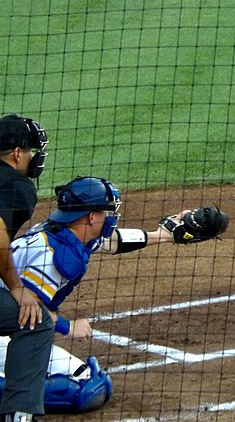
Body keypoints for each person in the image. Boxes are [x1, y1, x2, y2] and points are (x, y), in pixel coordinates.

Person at [0, 176, 200, 415]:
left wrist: (164, 235)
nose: (113, 216)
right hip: (9, 330)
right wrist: (68, 326)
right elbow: (28, 314)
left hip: (8, 326)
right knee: (85, 387)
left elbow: (113, 241)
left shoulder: (68, 232)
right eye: (108, 210)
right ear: (92, 217)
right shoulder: (53, 256)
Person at [0, 114, 54, 421]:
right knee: (34, 321)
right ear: (17, 153)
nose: (34, 156)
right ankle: (18, 415)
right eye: (30, 149)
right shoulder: (17, 186)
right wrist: (17, 287)